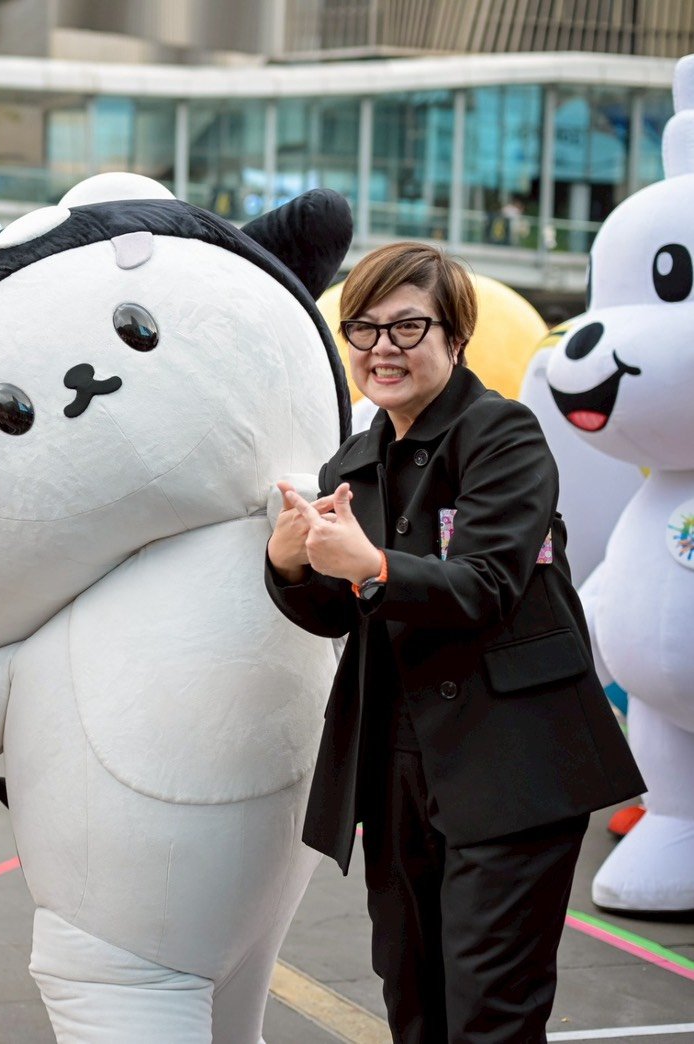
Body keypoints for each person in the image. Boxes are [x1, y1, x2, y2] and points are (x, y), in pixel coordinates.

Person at [264, 241, 643, 1044]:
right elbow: (336, 613)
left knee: (490, 1014)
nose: (382, 349)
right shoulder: (354, 462)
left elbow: (486, 584)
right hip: (397, 768)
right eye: (363, 329)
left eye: (407, 327)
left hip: (514, 763)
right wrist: (290, 563)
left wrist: (370, 565)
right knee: (412, 999)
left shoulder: (502, 436)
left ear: (457, 336)